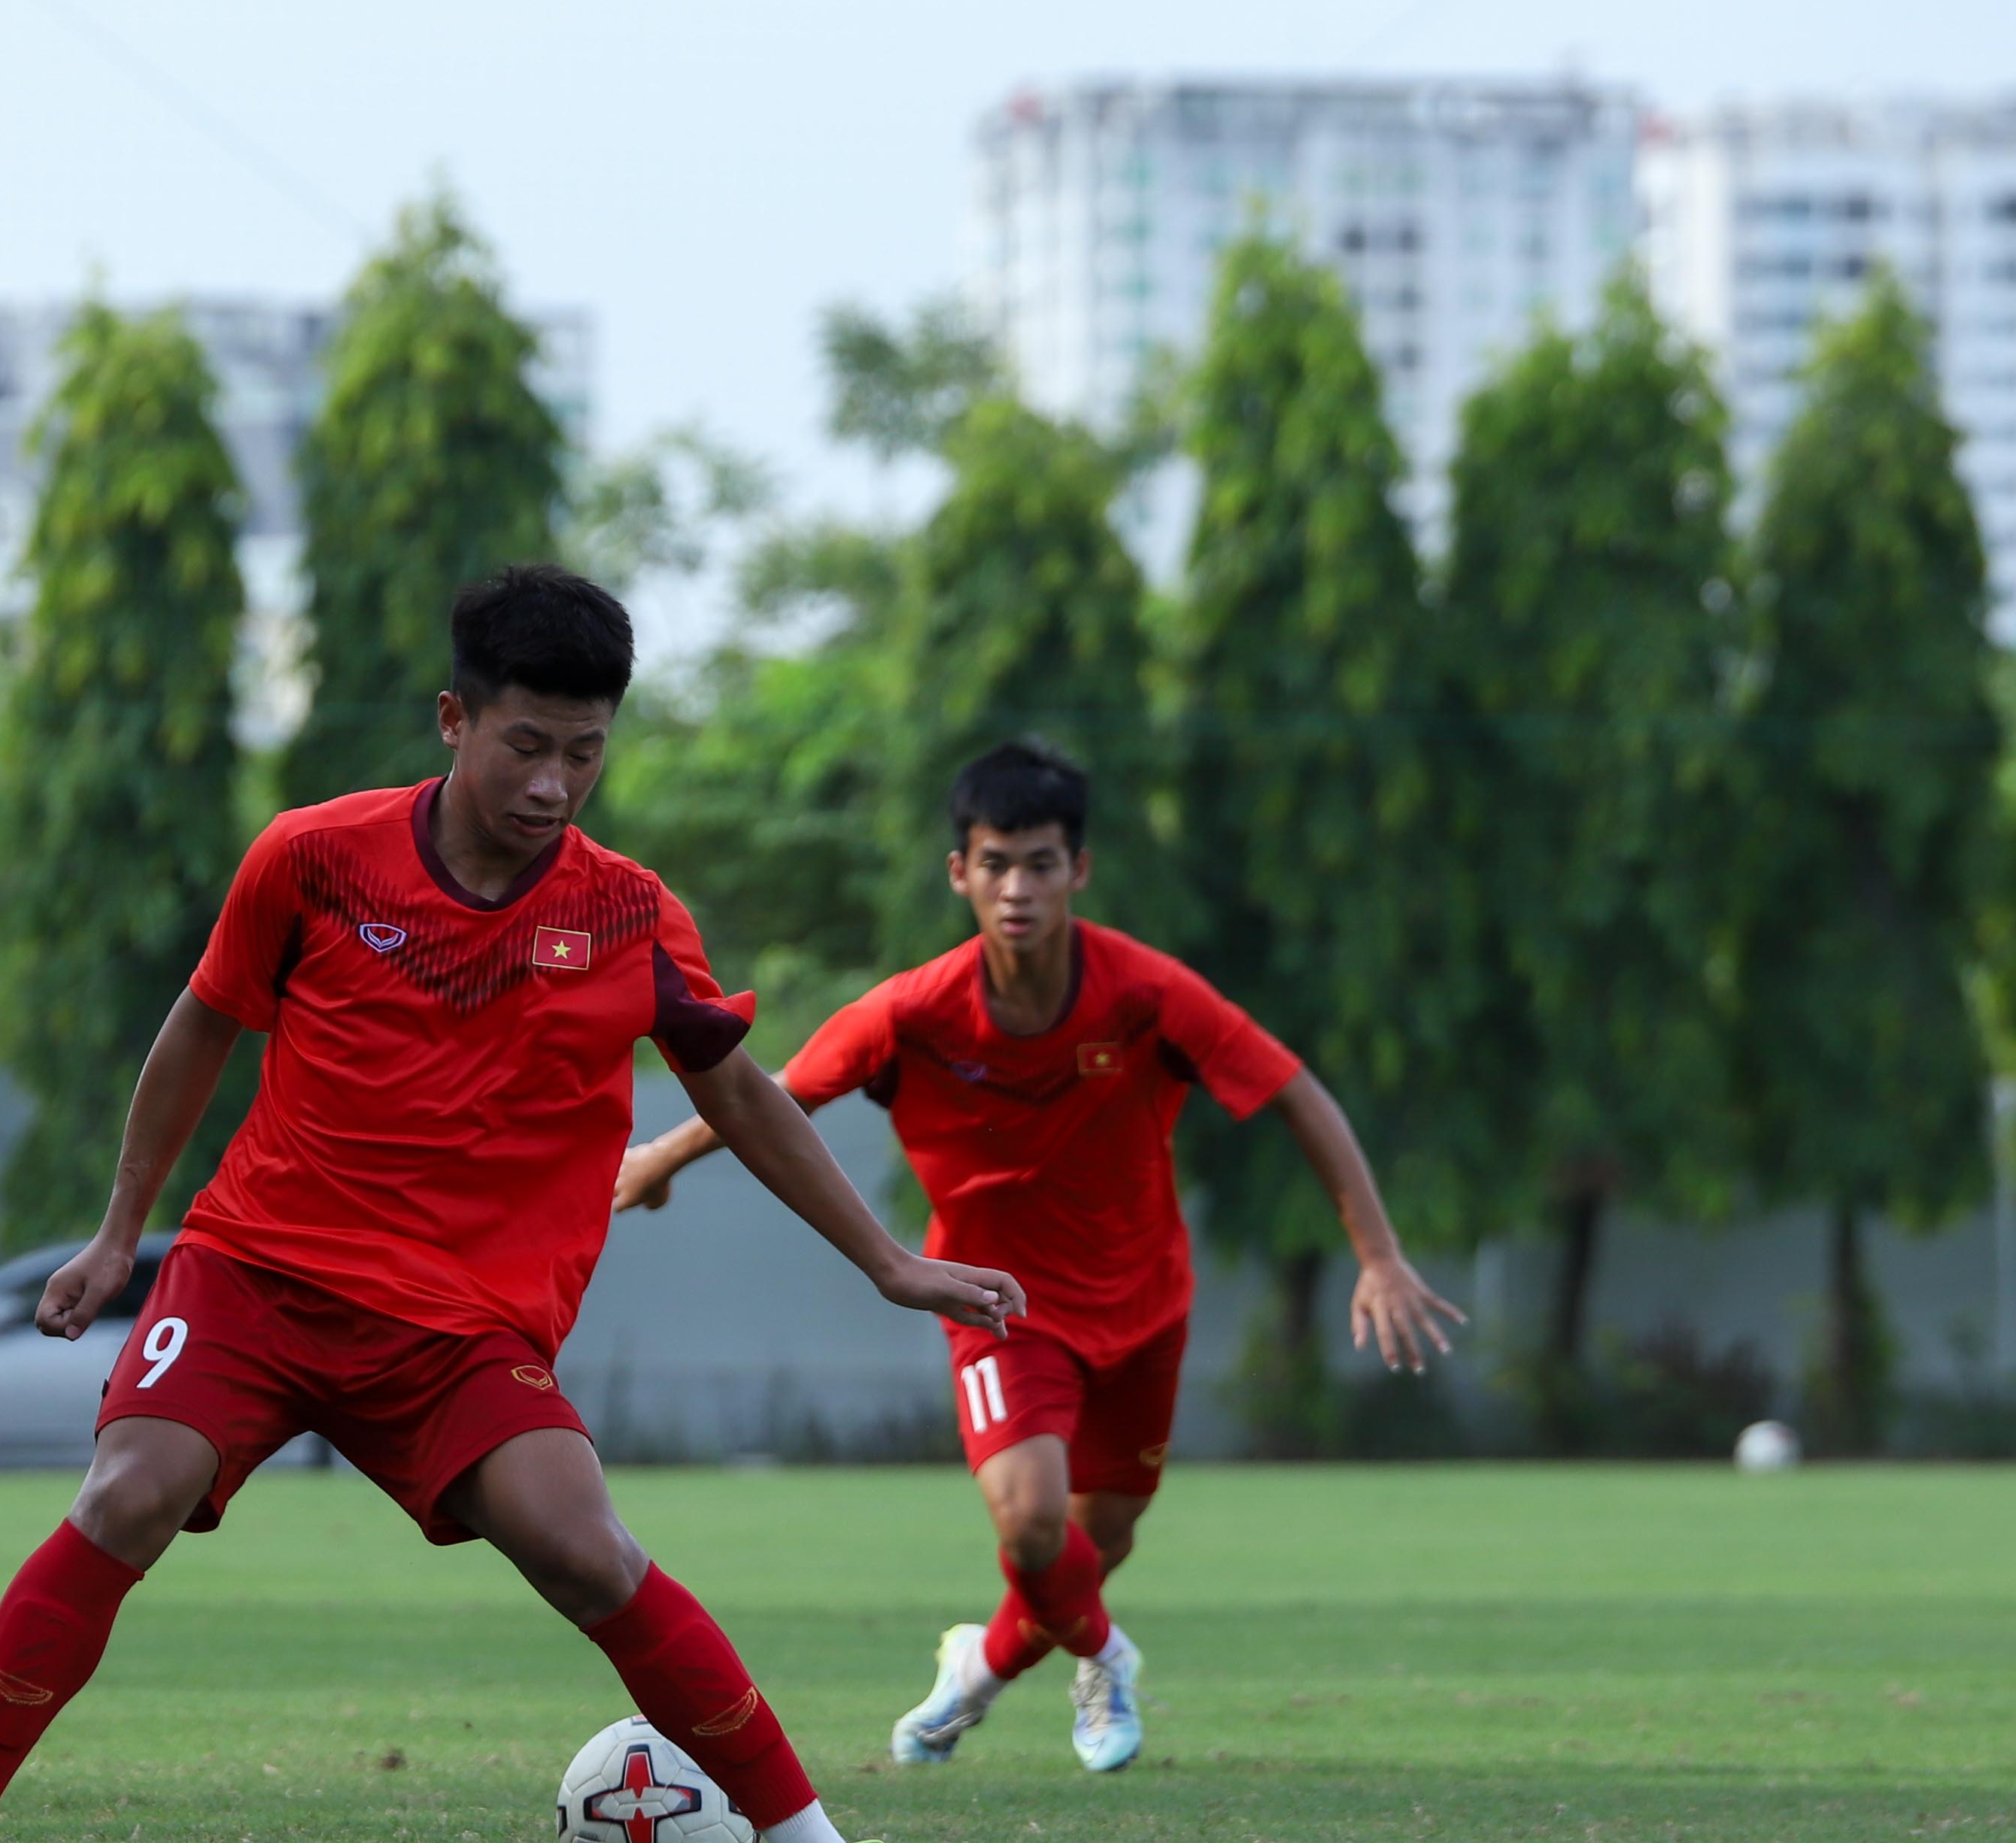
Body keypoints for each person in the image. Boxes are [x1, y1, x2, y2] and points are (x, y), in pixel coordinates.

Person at [0, 565, 1026, 1843]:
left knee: (587, 1549)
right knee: (129, 1493)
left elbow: (739, 1091)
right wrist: (120, 1232)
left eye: (586, 751)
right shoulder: (311, 858)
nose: (554, 783)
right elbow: (200, 1030)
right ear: (453, 719)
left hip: (458, 1332)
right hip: (258, 1276)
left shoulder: (627, 914)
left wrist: (887, 1263)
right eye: (526, 745)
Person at [612, 739, 1462, 1775]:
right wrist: (660, 1152)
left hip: (1145, 1303)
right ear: (959, 871)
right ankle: (1105, 1651)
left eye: (1042, 863)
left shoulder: (1145, 994)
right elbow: (771, 1089)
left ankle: (981, 1667)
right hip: (993, 1300)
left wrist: (1376, 1253)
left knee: (1093, 1545)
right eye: (996, 861)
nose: (1018, 887)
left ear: (1079, 870)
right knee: (1029, 1521)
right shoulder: (915, 1008)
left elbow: (1296, 1092)